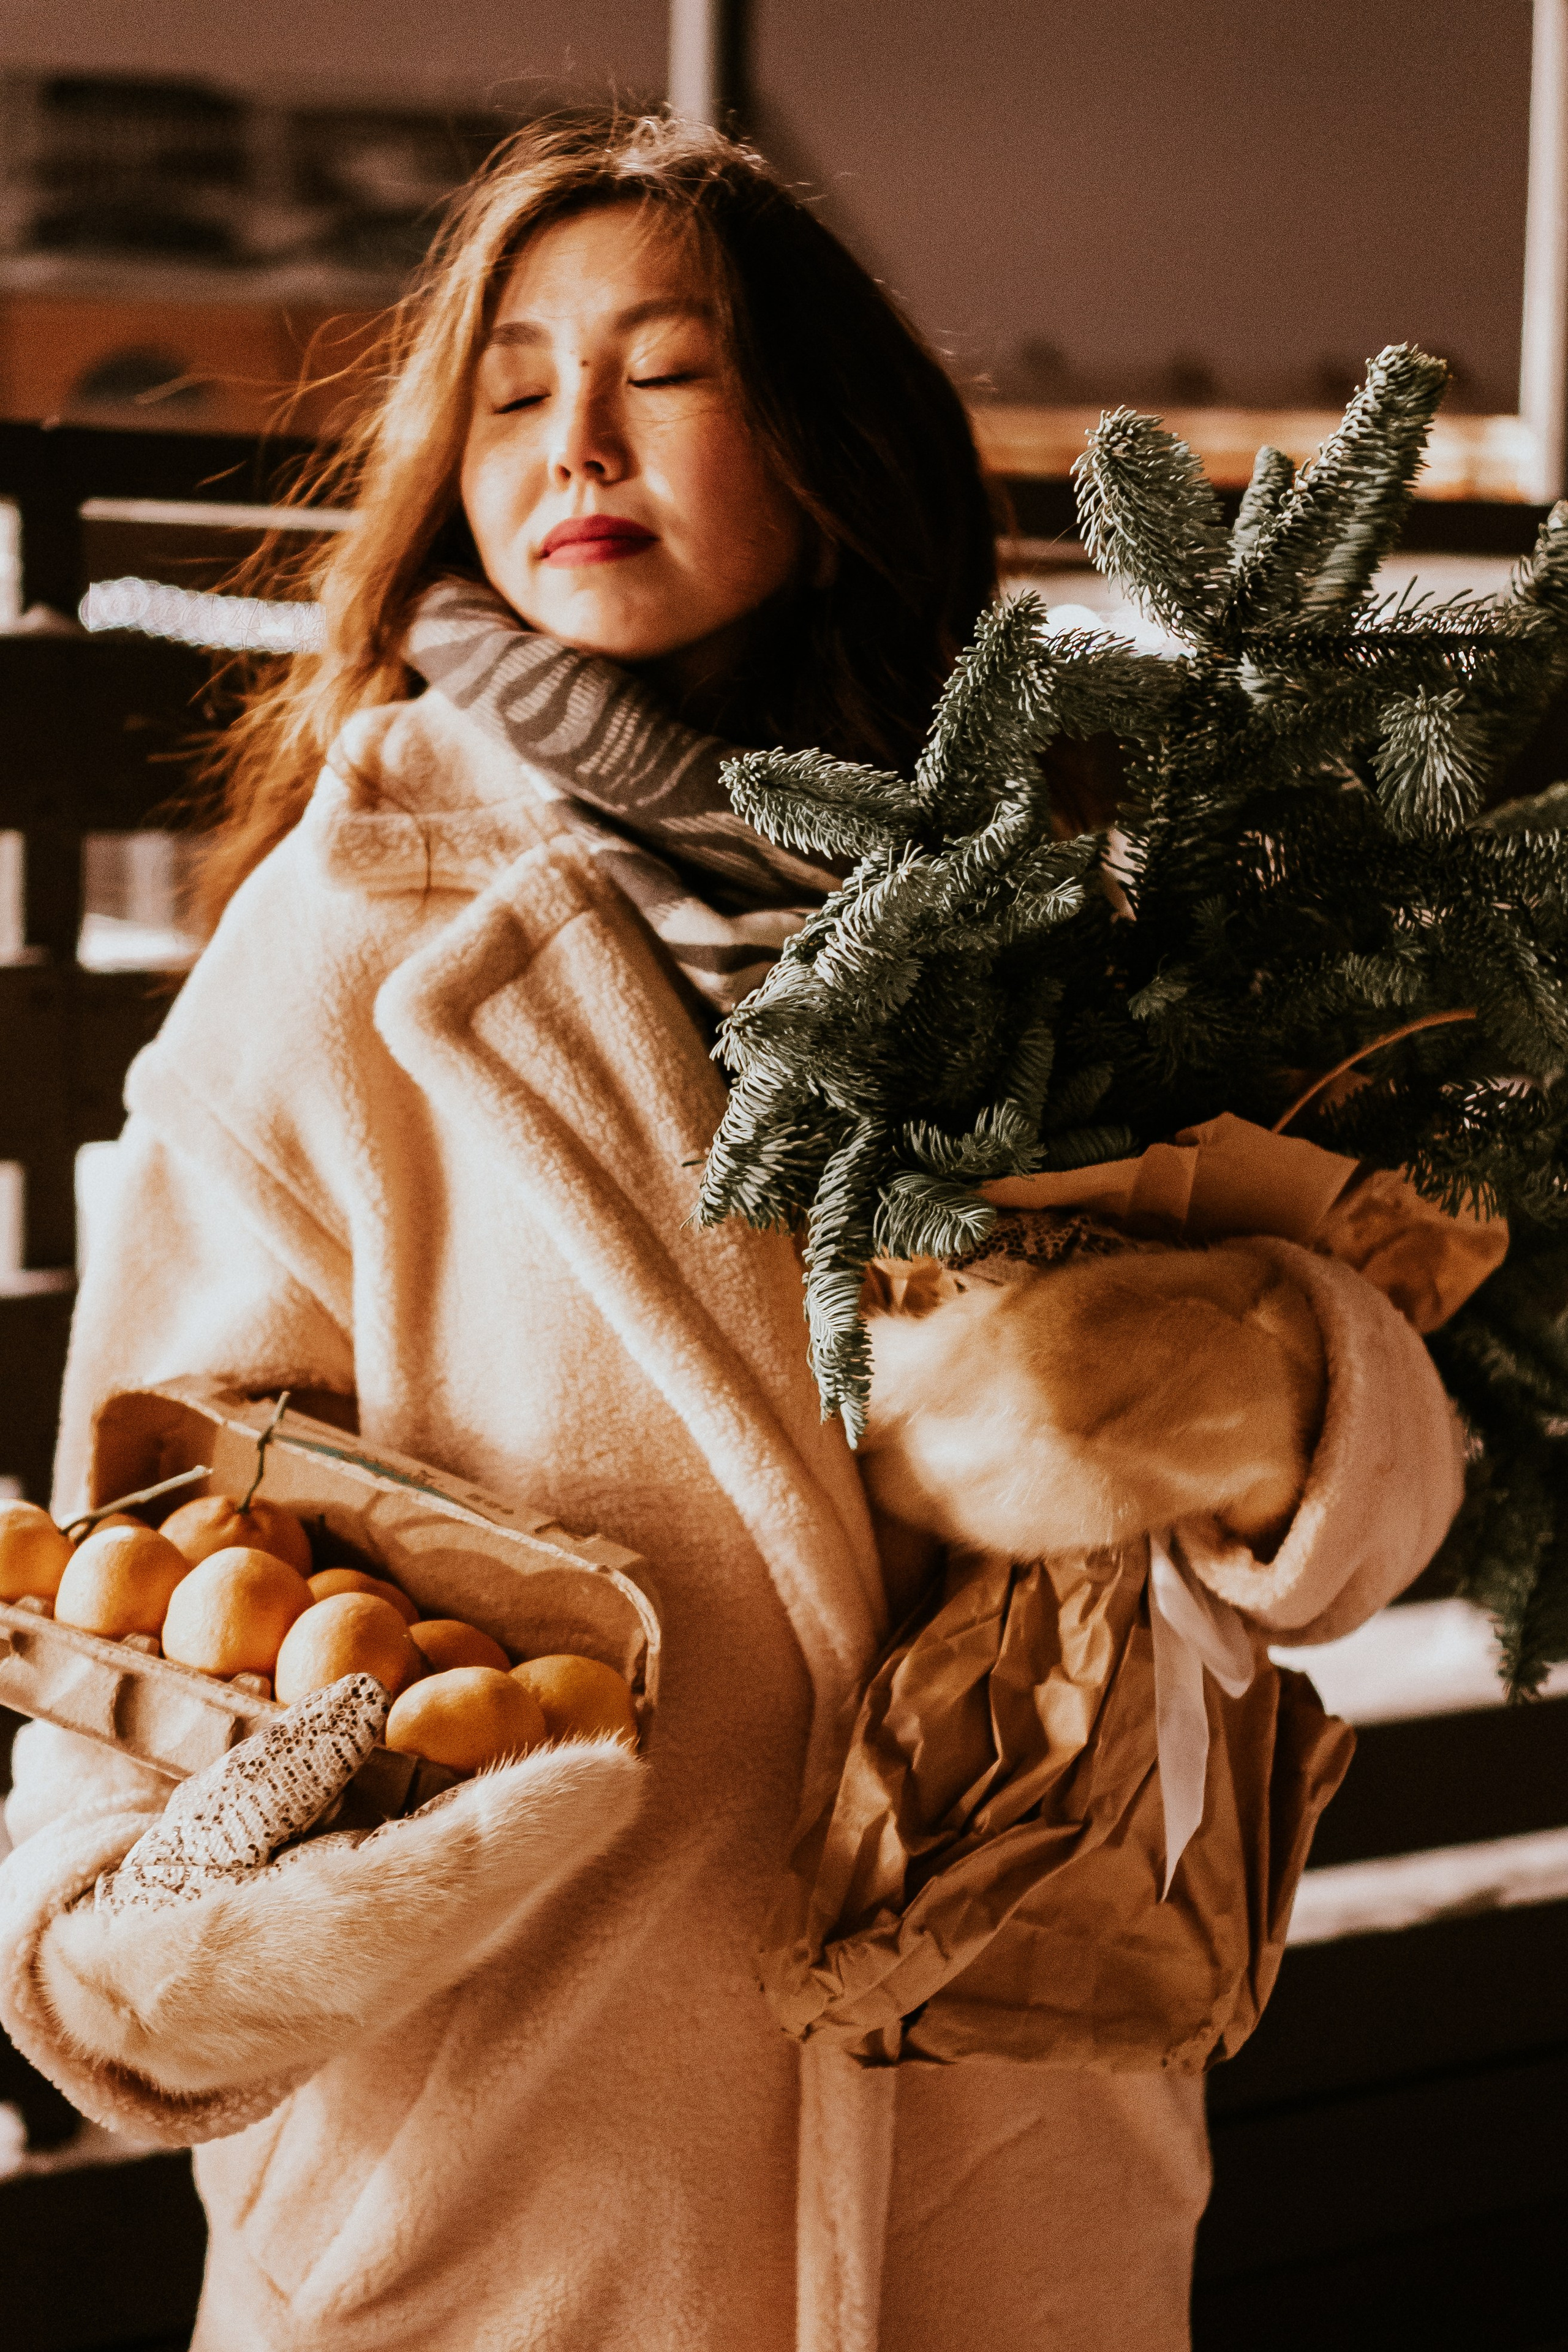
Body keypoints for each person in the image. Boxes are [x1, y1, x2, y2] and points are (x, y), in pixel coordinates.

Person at [0, 111, 1457, 2352]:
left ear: (824, 442)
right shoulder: (342, 950)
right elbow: (162, 1578)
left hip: (1014, 2170)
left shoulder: (1078, 911)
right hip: (520, 2193)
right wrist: (193, 1926)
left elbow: (1340, 1534)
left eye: (664, 371)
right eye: (509, 387)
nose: (573, 435)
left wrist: (1273, 1387)